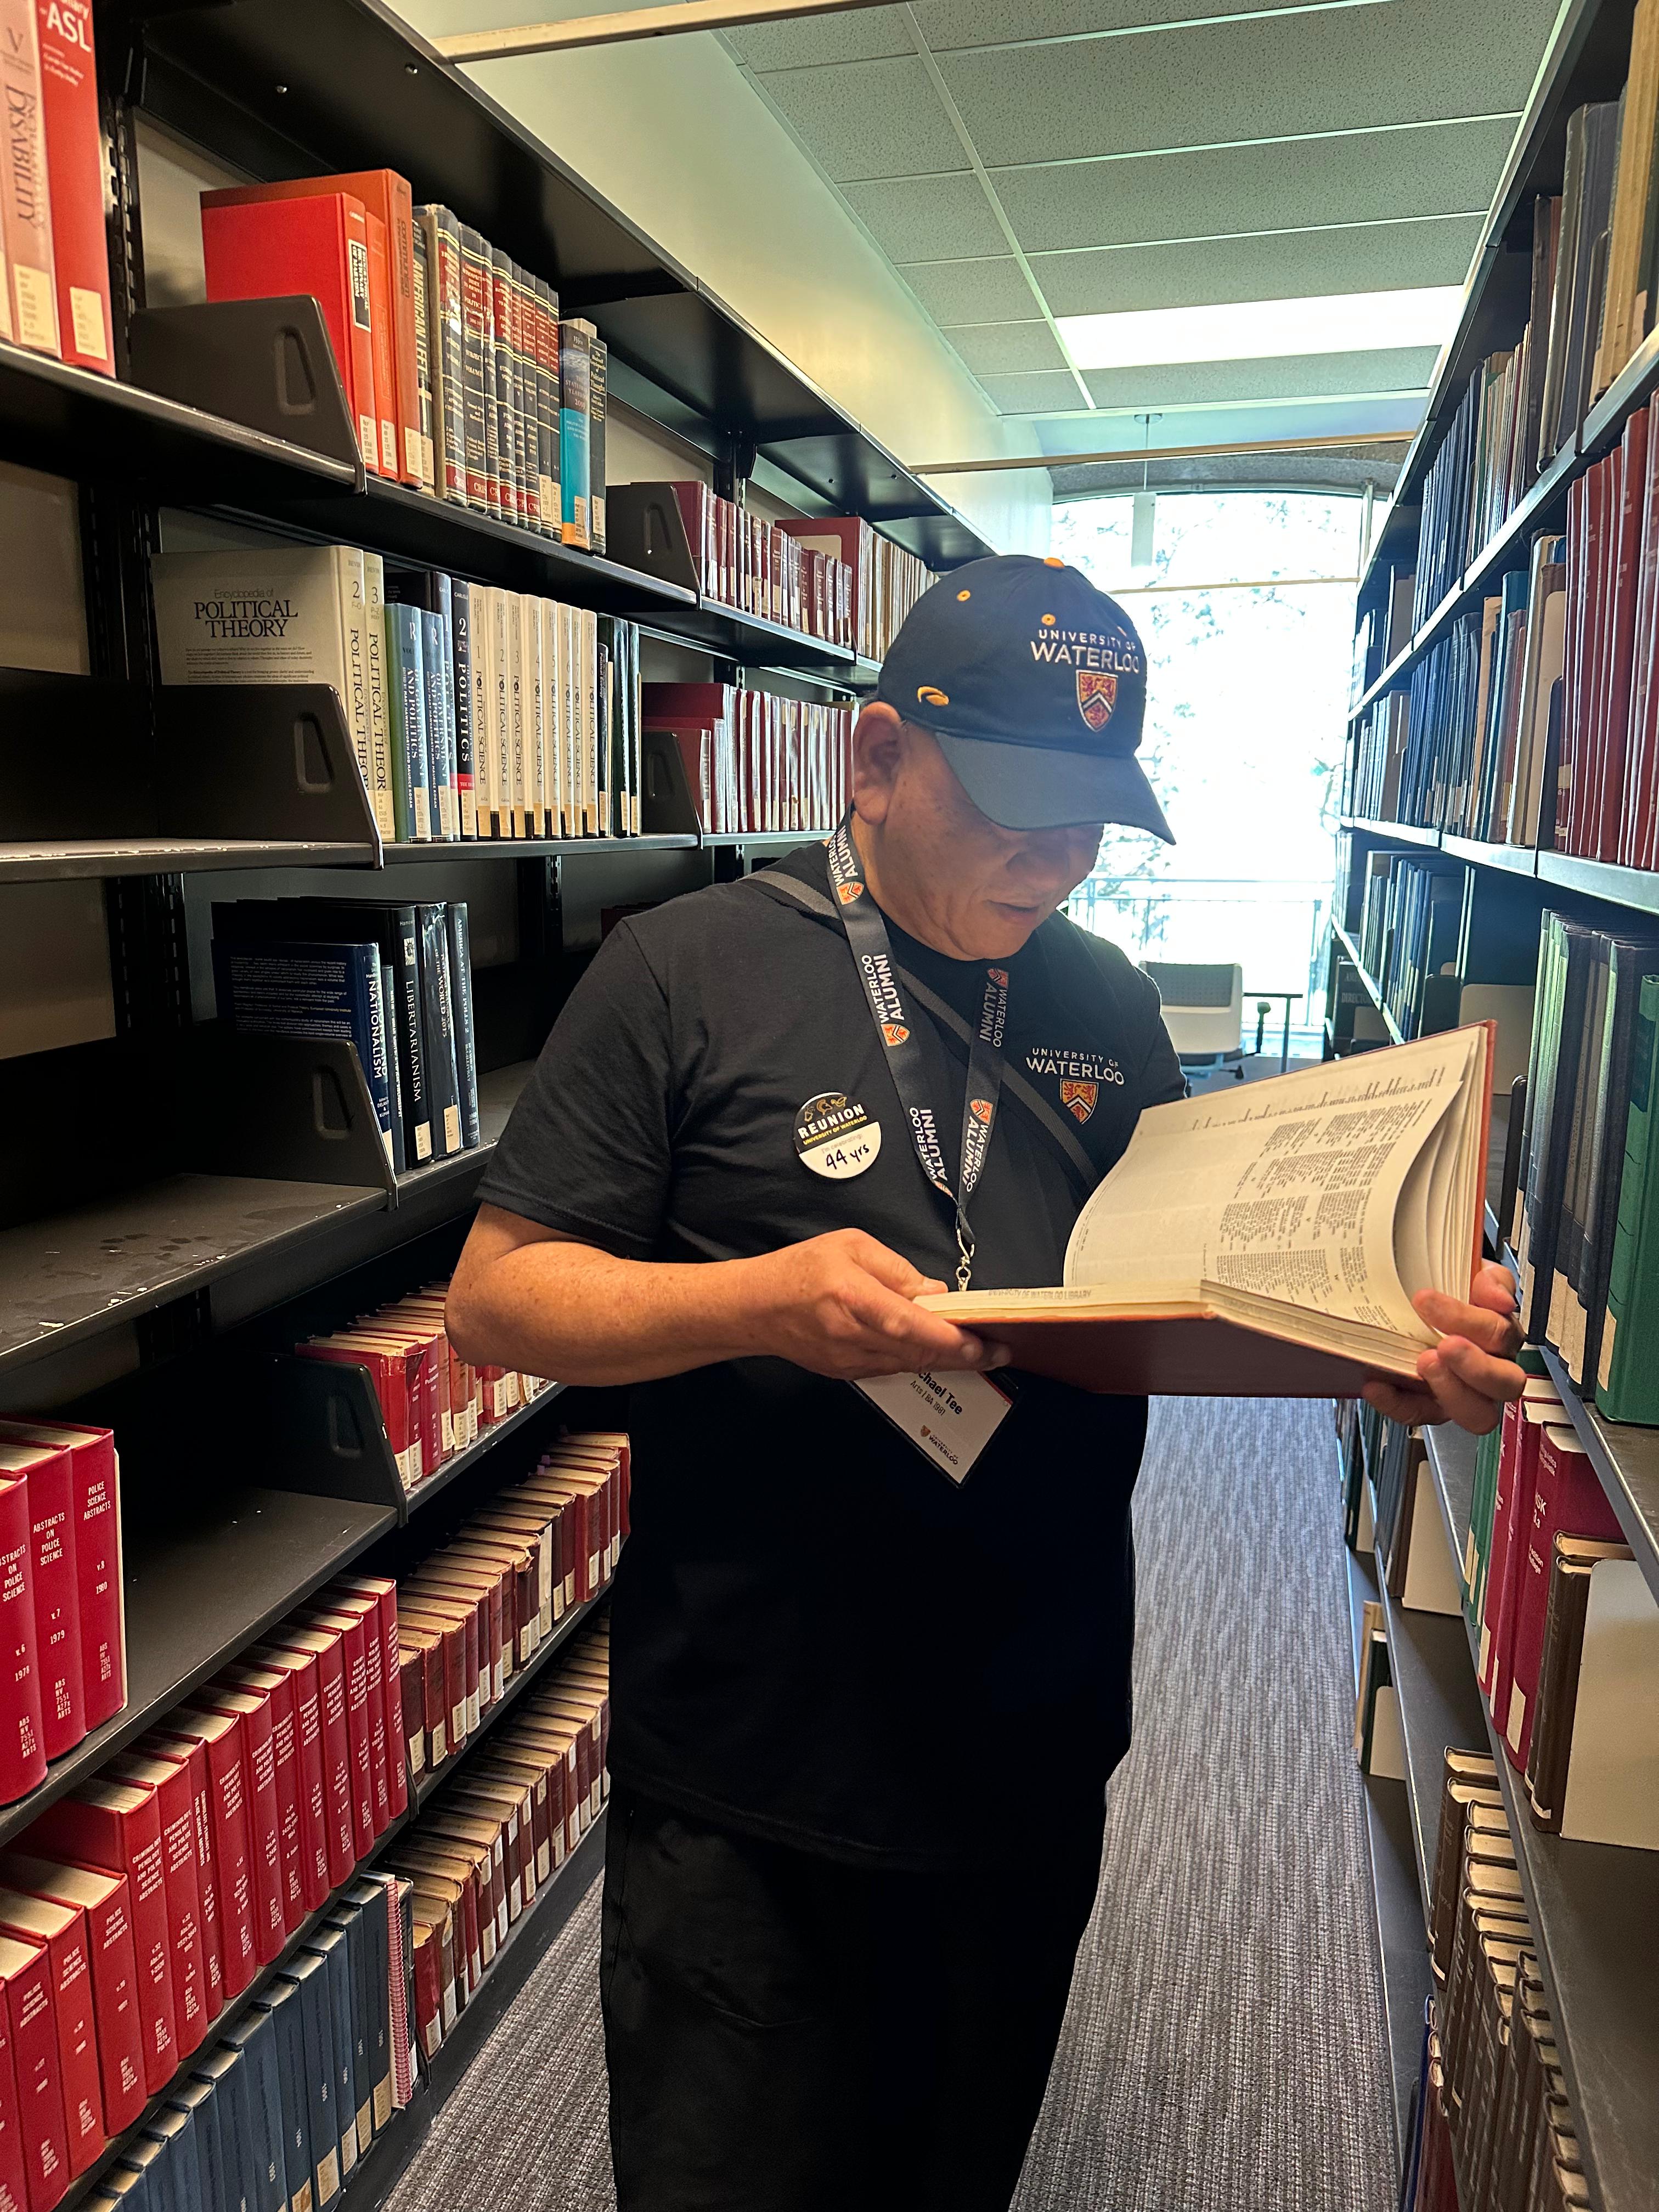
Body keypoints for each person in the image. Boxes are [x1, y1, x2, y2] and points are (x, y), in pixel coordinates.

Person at [445, 554, 1524, 2212]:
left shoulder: (1104, 1000)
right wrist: (758, 1305)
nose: (1059, 857)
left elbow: (1190, 1285)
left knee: (954, 2169)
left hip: (1030, 1728)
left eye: (1094, 817)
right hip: (757, 1756)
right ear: (876, 760)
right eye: (1019, 806)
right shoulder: (682, 971)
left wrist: (1384, 1343)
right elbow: (498, 1300)